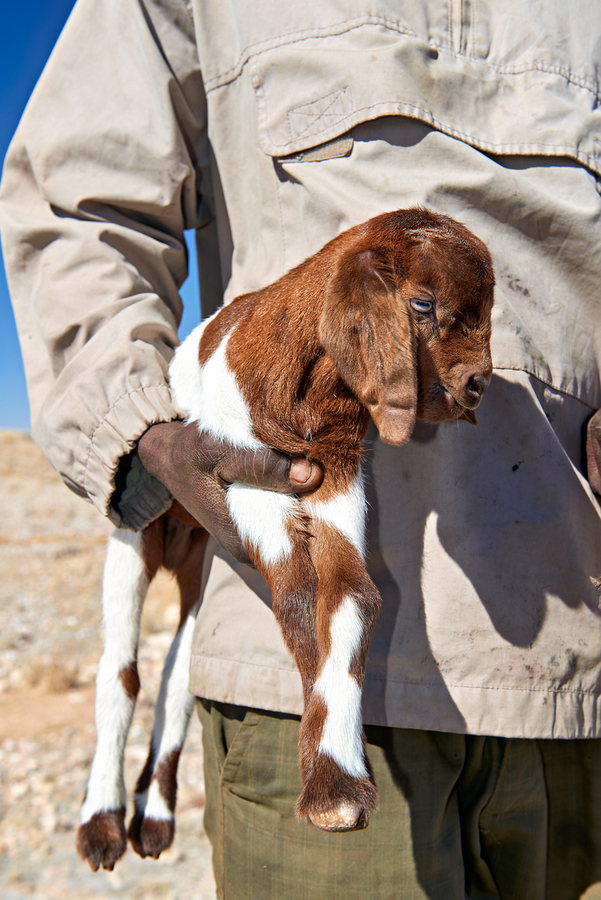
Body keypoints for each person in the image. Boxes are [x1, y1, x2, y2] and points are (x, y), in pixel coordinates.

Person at [2, 0, 601, 896]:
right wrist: (139, 429)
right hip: (288, 673)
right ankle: (126, 780)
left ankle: (154, 780)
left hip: (577, 675)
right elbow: (77, 196)